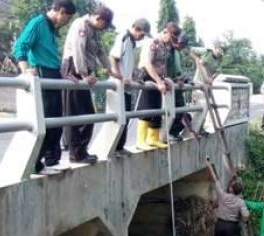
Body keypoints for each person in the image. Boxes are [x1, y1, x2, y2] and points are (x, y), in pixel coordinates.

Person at [13, 0, 77, 175]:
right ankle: (35, 162)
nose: (67, 22)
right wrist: (26, 70)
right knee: (48, 121)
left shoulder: (51, 28)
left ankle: (50, 160)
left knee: (56, 121)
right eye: (68, 18)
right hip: (42, 72)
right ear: (61, 12)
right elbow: (20, 45)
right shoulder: (39, 23)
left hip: (53, 73)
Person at [62, 5, 115, 164]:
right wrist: (84, 74)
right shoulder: (81, 25)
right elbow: (78, 51)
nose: (105, 29)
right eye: (104, 25)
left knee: (88, 115)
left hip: (84, 71)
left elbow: (100, 52)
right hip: (74, 69)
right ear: (98, 19)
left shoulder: (95, 30)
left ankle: (81, 151)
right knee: (76, 114)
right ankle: (76, 154)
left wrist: (110, 70)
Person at [135, 22, 180, 151]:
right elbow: (148, 64)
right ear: (165, 32)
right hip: (148, 77)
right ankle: (140, 140)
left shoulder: (166, 46)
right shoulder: (153, 43)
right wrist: (158, 81)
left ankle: (152, 138)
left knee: (156, 109)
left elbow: (163, 66)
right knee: (146, 108)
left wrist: (165, 80)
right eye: (171, 39)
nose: (172, 42)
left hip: (159, 79)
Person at [109, 18, 151, 154]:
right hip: (118, 87)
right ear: (137, 29)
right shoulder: (124, 37)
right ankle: (114, 148)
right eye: (142, 34)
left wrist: (134, 78)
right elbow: (113, 57)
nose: (142, 37)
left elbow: (128, 65)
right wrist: (118, 76)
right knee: (118, 120)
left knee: (125, 118)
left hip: (126, 88)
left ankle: (120, 147)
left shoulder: (132, 44)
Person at [206, 157, 249, 236]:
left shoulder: (223, 195)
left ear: (231, 189)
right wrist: (243, 216)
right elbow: (246, 216)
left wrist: (209, 165)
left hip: (220, 224)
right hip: (232, 226)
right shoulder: (240, 202)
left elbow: (215, 179)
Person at [167, 33, 195, 142]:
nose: (181, 48)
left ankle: (174, 133)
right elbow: (163, 72)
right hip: (169, 87)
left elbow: (179, 72)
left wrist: (187, 79)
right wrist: (175, 80)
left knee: (183, 111)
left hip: (178, 88)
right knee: (172, 112)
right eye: (181, 45)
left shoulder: (177, 54)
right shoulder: (167, 51)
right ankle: (169, 133)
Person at [190, 45, 224, 134]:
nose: (219, 52)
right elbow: (191, 51)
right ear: (214, 48)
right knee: (199, 104)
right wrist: (198, 61)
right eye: (219, 49)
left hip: (207, 84)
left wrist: (211, 79)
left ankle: (200, 128)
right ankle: (194, 129)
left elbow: (218, 71)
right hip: (198, 82)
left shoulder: (220, 58)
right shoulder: (206, 52)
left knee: (206, 106)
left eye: (221, 50)